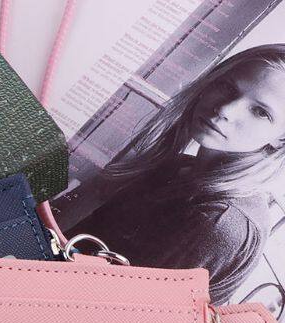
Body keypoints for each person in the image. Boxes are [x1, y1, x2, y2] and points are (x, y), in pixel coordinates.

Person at [70, 45, 285, 304]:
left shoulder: (219, 220)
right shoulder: (180, 169)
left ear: (281, 139)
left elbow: (117, 312)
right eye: (227, 87)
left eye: (260, 112)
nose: (225, 110)